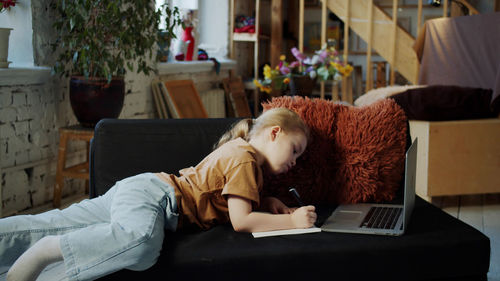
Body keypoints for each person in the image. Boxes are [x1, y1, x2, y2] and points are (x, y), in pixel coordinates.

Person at [0, 108, 316, 281]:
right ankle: (45, 252)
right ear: (275, 132)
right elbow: (241, 220)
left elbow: (231, 200)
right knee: (139, 245)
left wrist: (268, 203)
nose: (294, 162)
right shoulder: (244, 158)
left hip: (144, 189)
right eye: (295, 150)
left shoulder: (246, 159)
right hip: (157, 198)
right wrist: (296, 223)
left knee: (58, 222)